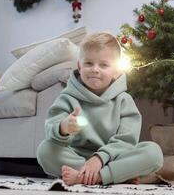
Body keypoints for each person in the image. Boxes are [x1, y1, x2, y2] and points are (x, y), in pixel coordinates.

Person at [36, 32, 163, 186]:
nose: (95, 69)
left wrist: (99, 159)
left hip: (113, 157)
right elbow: (51, 130)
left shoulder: (124, 101)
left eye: (103, 65)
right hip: (78, 156)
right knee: (45, 150)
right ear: (79, 66)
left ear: (116, 71)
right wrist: (63, 128)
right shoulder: (67, 97)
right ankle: (114, 175)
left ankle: (93, 177)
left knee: (153, 153)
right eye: (89, 63)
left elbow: (126, 140)